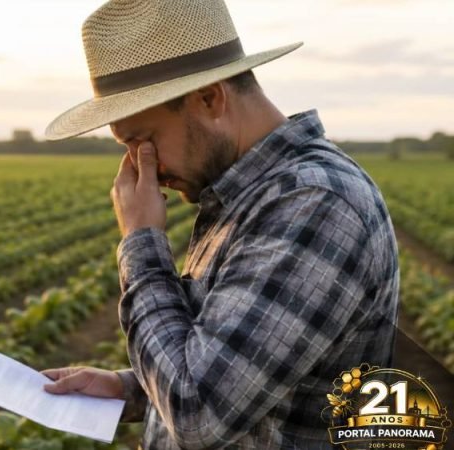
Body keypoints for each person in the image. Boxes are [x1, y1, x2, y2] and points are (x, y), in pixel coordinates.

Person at [40, 0, 400, 449]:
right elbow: (244, 371)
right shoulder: (248, 195)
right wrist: (128, 388)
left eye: (142, 141)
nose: (137, 166)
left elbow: (199, 414)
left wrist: (140, 243)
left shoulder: (313, 202)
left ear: (210, 98)